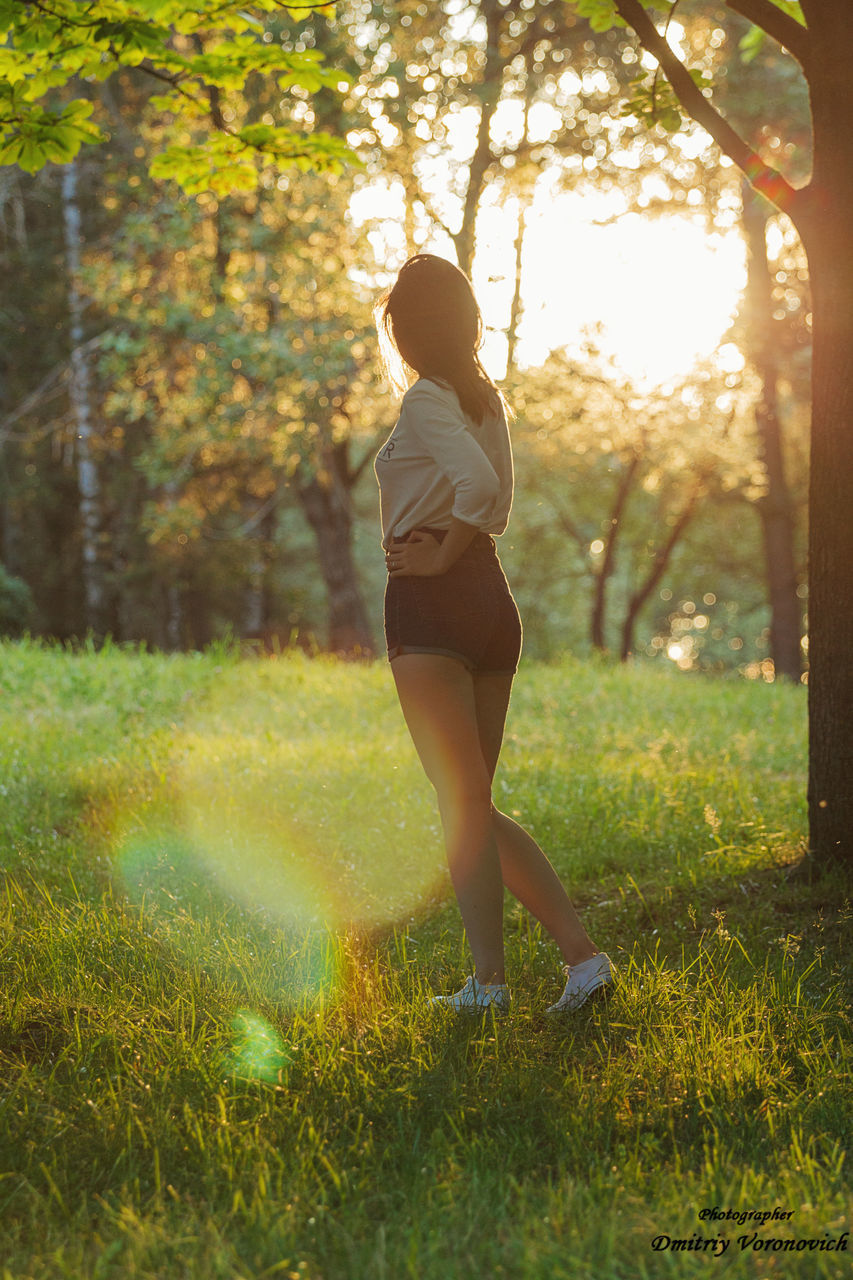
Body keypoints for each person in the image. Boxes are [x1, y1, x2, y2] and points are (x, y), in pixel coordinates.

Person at [374, 253, 613, 1014]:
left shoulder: (424, 402)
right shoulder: (484, 399)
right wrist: (457, 549)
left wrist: (434, 551)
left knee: (460, 799)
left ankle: (488, 984)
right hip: (489, 599)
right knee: (472, 798)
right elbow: (497, 507)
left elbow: (476, 491)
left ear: (406, 332)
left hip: (434, 598)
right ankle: (582, 962)